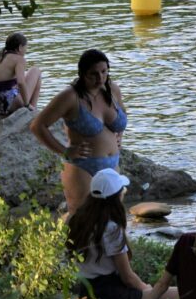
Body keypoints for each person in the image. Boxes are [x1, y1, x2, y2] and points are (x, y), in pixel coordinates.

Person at [68, 168, 178, 299]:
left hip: (86, 295)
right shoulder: (111, 228)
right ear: (117, 196)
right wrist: (148, 290)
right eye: (123, 190)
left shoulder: (77, 221)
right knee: (182, 294)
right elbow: (128, 278)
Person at [30, 49, 128, 215]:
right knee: (82, 218)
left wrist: (119, 135)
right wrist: (65, 151)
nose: (100, 78)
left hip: (113, 163)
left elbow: (123, 113)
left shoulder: (112, 90)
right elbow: (37, 126)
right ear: (82, 74)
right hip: (83, 167)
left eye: (104, 72)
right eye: (93, 74)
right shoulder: (70, 97)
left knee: (113, 217)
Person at [0, 32, 42, 116]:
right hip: (10, 103)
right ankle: (32, 111)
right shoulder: (19, 59)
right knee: (35, 71)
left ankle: (30, 110)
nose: (26, 50)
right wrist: (26, 104)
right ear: (20, 47)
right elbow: (21, 82)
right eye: (26, 47)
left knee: (14, 85)